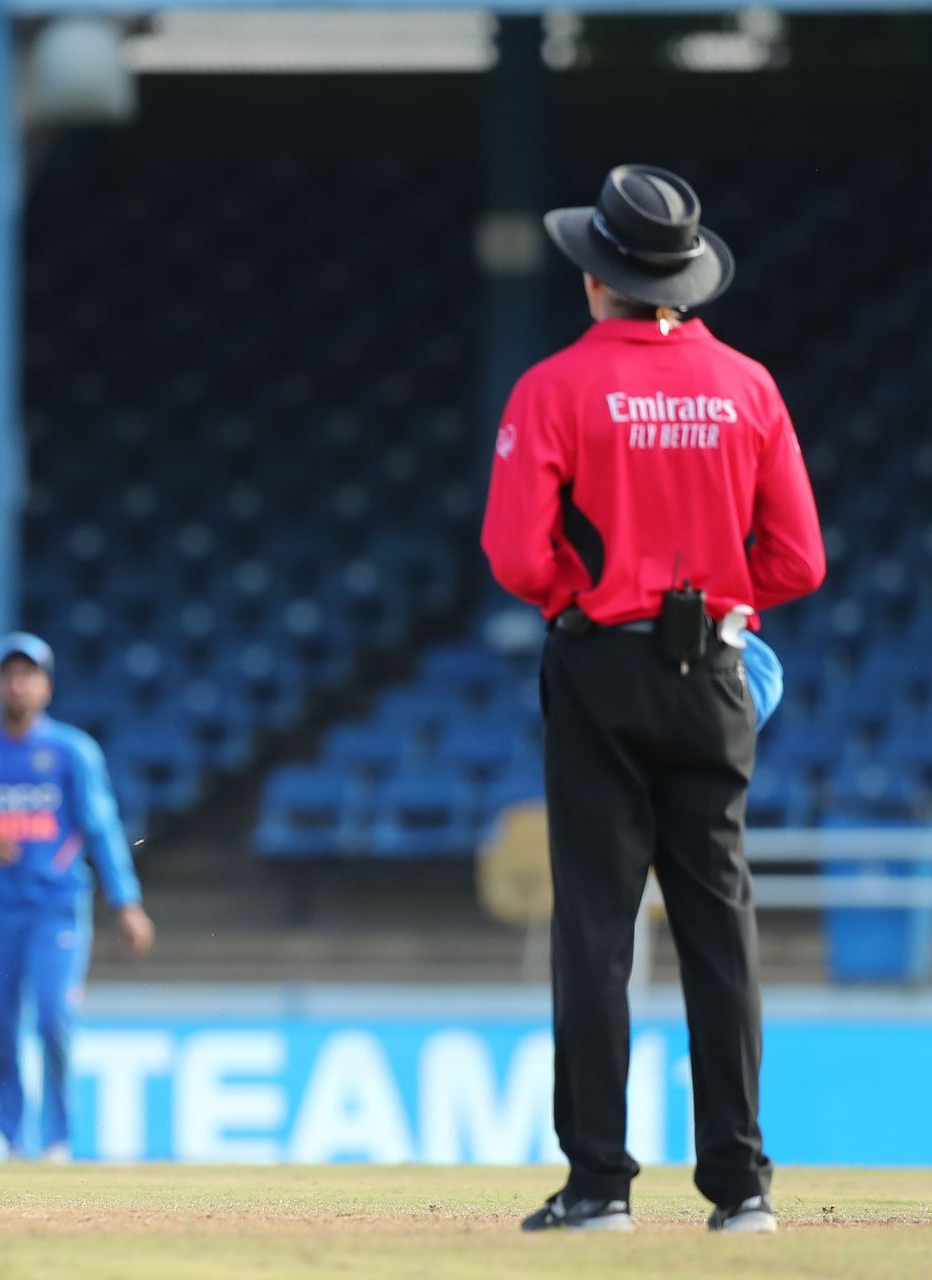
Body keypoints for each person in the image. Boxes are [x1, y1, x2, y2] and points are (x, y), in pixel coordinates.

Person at [482, 165, 825, 1234]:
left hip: (600, 664)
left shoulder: (554, 388)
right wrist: (718, 604)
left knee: (595, 925)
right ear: (682, 277)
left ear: (598, 279)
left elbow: (511, 554)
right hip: (714, 669)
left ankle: (598, 1186)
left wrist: (587, 598)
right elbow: (800, 560)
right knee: (720, 920)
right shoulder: (751, 385)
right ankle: (744, 1186)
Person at [0, 633, 155, 1160]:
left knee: (55, 1018)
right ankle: (12, 1139)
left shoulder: (71, 752)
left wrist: (126, 902)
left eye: (28, 674)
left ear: (46, 687)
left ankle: (57, 1140)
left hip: (55, 908)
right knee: (1, 1027)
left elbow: (101, 828)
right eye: (9, 674)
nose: (18, 684)